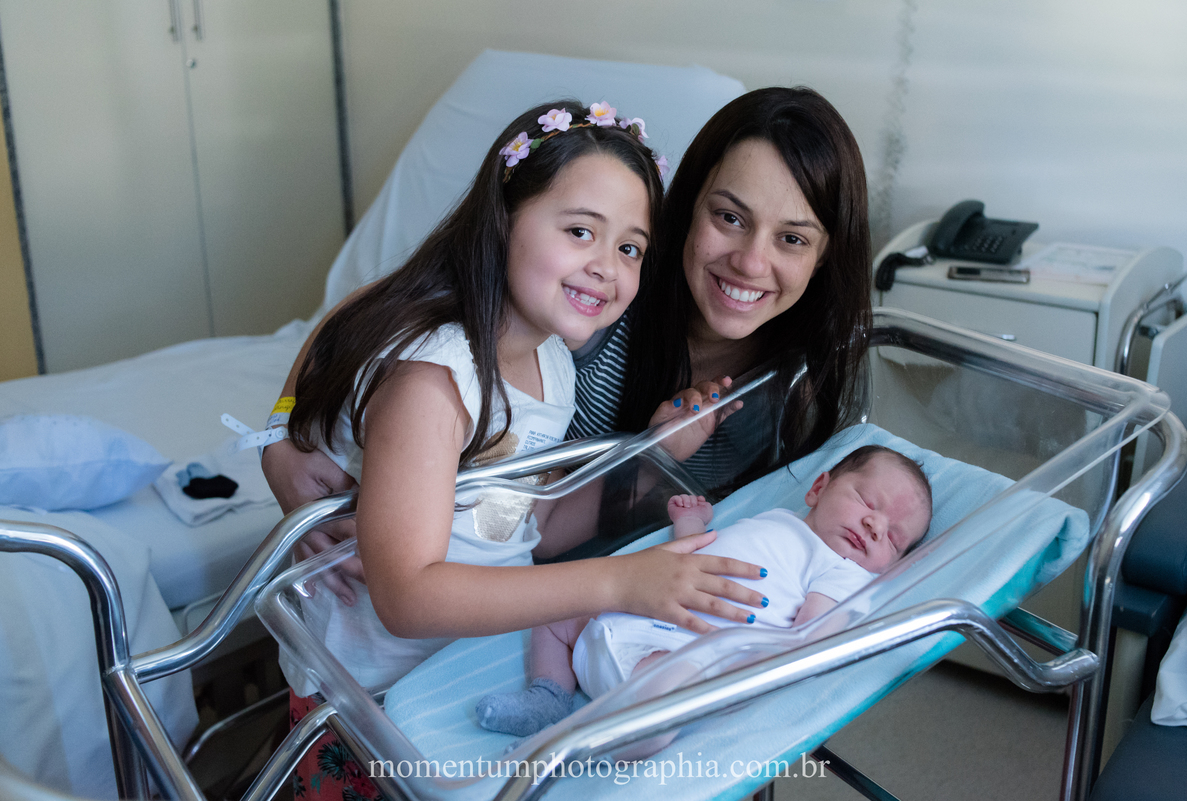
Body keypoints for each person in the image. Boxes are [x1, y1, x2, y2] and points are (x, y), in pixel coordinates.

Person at [278, 99, 772, 800]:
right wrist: (618, 581)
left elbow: (526, 523)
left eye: (629, 248)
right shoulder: (435, 381)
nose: (607, 267)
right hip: (368, 705)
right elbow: (406, 595)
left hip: (464, 672)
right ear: (505, 219)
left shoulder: (551, 365)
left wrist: (656, 453)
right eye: (580, 231)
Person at [263, 85, 873, 599]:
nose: (750, 261)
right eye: (730, 218)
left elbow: (541, 516)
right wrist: (282, 434)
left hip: (595, 612)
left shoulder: (800, 385)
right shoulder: (587, 310)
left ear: (824, 256)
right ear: (688, 209)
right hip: (516, 604)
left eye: (793, 239)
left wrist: (655, 456)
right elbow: (389, 303)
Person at [474, 445, 933, 737]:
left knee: (667, 695)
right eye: (867, 501)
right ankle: (548, 697)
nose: (875, 525)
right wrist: (691, 524)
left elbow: (811, 638)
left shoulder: (843, 571)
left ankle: (581, 748)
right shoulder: (777, 521)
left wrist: (755, 665)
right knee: (557, 607)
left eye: (893, 538)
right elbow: (697, 558)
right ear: (817, 489)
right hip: (632, 615)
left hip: (682, 654)